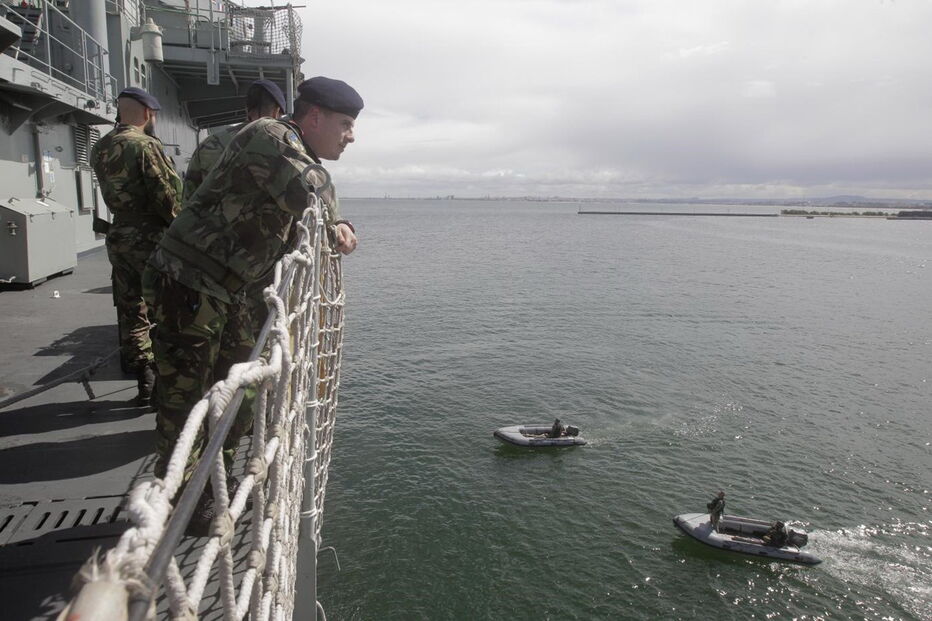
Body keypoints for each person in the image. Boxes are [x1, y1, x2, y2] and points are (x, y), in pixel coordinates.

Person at [143, 76, 362, 533]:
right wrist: (337, 220)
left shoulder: (291, 145)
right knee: (186, 399)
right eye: (345, 124)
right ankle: (181, 505)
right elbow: (310, 186)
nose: (351, 136)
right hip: (187, 281)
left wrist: (337, 218)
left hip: (228, 288)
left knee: (236, 390)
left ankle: (211, 480)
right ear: (314, 116)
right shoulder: (271, 137)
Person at [90, 87, 183, 405]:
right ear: (147, 113)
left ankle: (144, 377)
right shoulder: (145, 145)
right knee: (163, 309)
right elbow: (166, 197)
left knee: (131, 309)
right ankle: (165, 385)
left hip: (119, 236)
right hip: (151, 239)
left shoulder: (100, 147)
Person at [182, 79, 286, 200]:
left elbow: (188, 199)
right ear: (276, 112)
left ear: (247, 109)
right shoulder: (280, 148)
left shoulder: (208, 144)